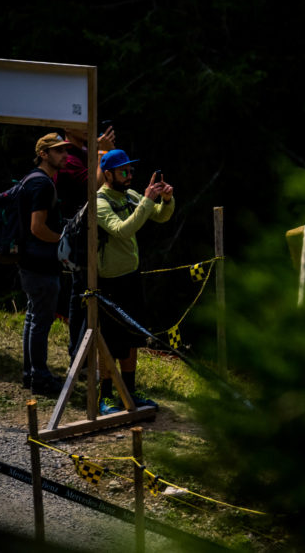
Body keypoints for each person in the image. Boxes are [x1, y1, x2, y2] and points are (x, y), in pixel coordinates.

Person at [95, 149, 175, 414]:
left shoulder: (129, 195)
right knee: (108, 339)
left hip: (131, 278)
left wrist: (166, 199)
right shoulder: (99, 202)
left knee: (132, 338)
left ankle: (129, 389)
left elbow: (160, 216)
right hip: (107, 282)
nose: (129, 176)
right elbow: (122, 229)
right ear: (108, 174)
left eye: (130, 171)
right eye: (123, 171)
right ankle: (105, 395)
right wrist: (147, 201)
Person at [56, 123, 116, 360]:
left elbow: (108, 177)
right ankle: (78, 354)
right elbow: (94, 186)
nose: (87, 128)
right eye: (80, 125)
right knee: (82, 294)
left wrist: (105, 153)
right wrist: (101, 153)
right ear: (67, 129)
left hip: (92, 232)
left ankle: (83, 353)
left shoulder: (82, 152)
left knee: (84, 293)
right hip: (78, 236)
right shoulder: (68, 158)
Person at [17, 133, 71, 395]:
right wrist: (62, 240)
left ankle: (31, 373)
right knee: (41, 319)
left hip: (29, 260)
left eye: (65, 150)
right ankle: (39, 376)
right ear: (44, 154)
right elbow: (37, 227)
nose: (64, 155)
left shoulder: (33, 180)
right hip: (40, 263)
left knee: (33, 316)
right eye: (58, 151)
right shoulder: (42, 185)